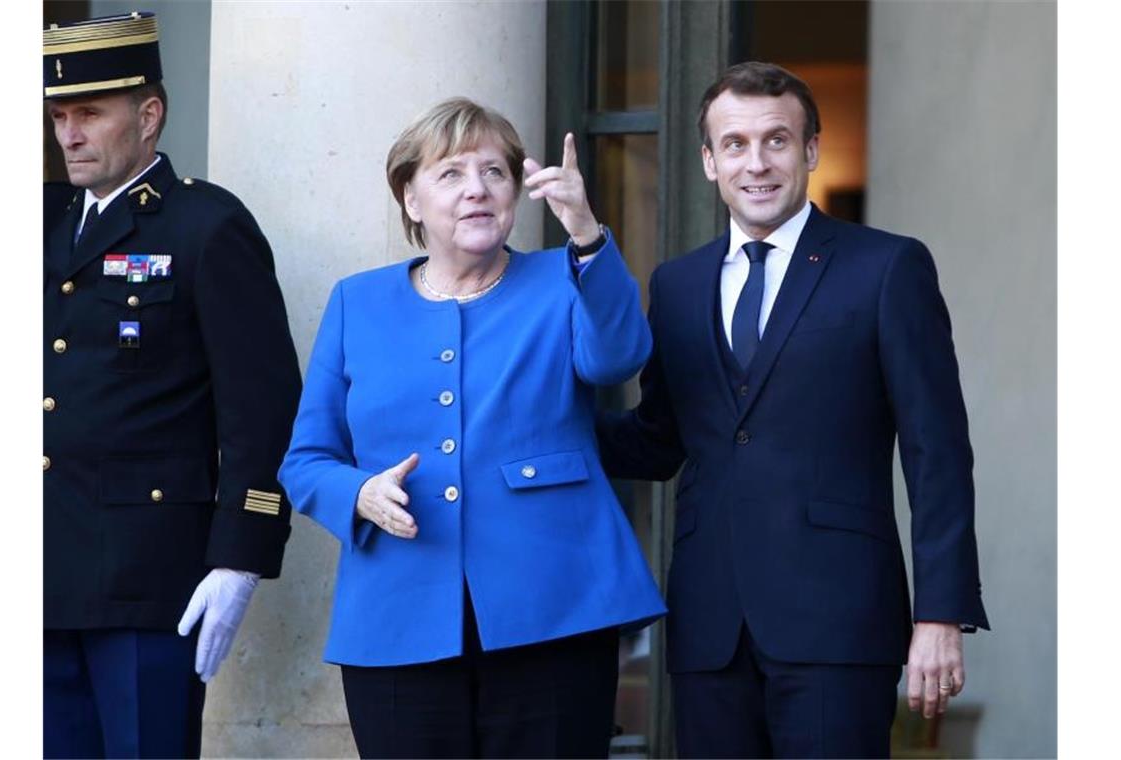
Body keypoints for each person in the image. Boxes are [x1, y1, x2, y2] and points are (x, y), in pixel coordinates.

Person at [597, 61, 990, 758]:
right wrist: (541, 430)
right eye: (737, 145)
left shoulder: (887, 268)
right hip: (710, 624)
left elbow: (938, 451)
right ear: (709, 161)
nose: (757, 163)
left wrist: (940, 613)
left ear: (810, 151)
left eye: (776, 141)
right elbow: (659, 441)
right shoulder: (677, 284)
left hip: (838, 622)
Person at [278, 97, 665, 759]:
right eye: (451, 174)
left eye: (495, 172)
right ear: (410, 198)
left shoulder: (563, 277)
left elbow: (619, 355)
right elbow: (306, 458)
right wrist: (361, 495)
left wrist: (586, 233)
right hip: (398, 614)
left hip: (555, 609)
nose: (477, 190)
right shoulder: (357, 302)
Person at [42, 13, 302, 758]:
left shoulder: (206, 227)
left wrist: (240, 557)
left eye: (89, 112)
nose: (70, 135)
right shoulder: (40, 221)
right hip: (38, 575)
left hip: (150, 581)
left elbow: (262, 411)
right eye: (60, 116)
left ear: (149, 114)